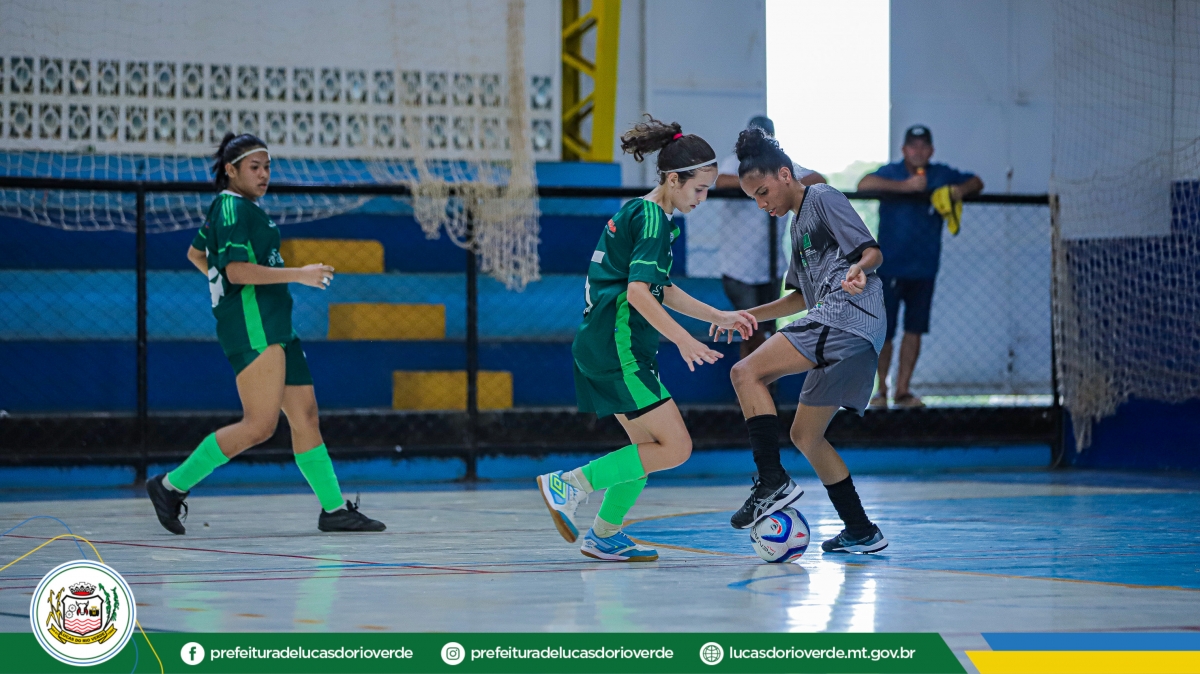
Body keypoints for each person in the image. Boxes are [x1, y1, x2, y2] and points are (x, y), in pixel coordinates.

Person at [536, 116, 757, 562]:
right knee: (676, 447)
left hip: (607, 343)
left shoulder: (643, 212)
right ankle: (569, 485)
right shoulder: (654, 220)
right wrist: (683, 340)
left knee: (647, 450)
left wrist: (718, 315)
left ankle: (605, 533)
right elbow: (639, 293)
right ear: (674, 179)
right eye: (699, 189)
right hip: (619, 345)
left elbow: (661, 288)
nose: (703, 198)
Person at [146, 132, 385, 535]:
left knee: (305, 416)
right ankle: (170, 486)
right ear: (231, 170)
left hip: (276, 324)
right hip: (253, 325)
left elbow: (197, 253)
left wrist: (219, 283)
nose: (263, 174)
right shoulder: (230, 206)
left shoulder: (244, 208)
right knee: (259, 425)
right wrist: (298, 275)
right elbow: (237, 271)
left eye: (267, 167)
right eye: (254, 167)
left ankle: (333, 509)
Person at [715, 127, 888, 554]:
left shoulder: (822, 197)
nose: (762, 204)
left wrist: (860, 268)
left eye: (763, 192)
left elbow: (873, 251)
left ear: (785, 174)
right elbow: (798, 299)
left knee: (745, 372)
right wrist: (745, 316)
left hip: (847, 316)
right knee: (806, 436)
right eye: (753, 198)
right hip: (852, 331)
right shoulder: (796, 228)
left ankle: (771, 481)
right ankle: (861, 529)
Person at [857, 125, 984, 408]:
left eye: (923, 146)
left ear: (931, 150)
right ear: (904, 150)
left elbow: (977, 181)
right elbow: (863, 184)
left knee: (914, 329)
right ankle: (881, 390)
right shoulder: (891, 172)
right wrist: (905, 188)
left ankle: (903, 391)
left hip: (924, 268)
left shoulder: (941, 174)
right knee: (884, 330)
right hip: (889, 267)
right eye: (913, 146)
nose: (918, 151)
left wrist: (958, 190)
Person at [713, 116, 825, 358]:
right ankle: (753, 375)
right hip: (738, 267)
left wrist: (776, 180)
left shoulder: (782, 165)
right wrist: (760, 180)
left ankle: (758, 377)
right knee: (750, 330)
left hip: (772, 265)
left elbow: (819, 179)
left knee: (765, 329)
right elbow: (721, 181)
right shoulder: (735, 162)